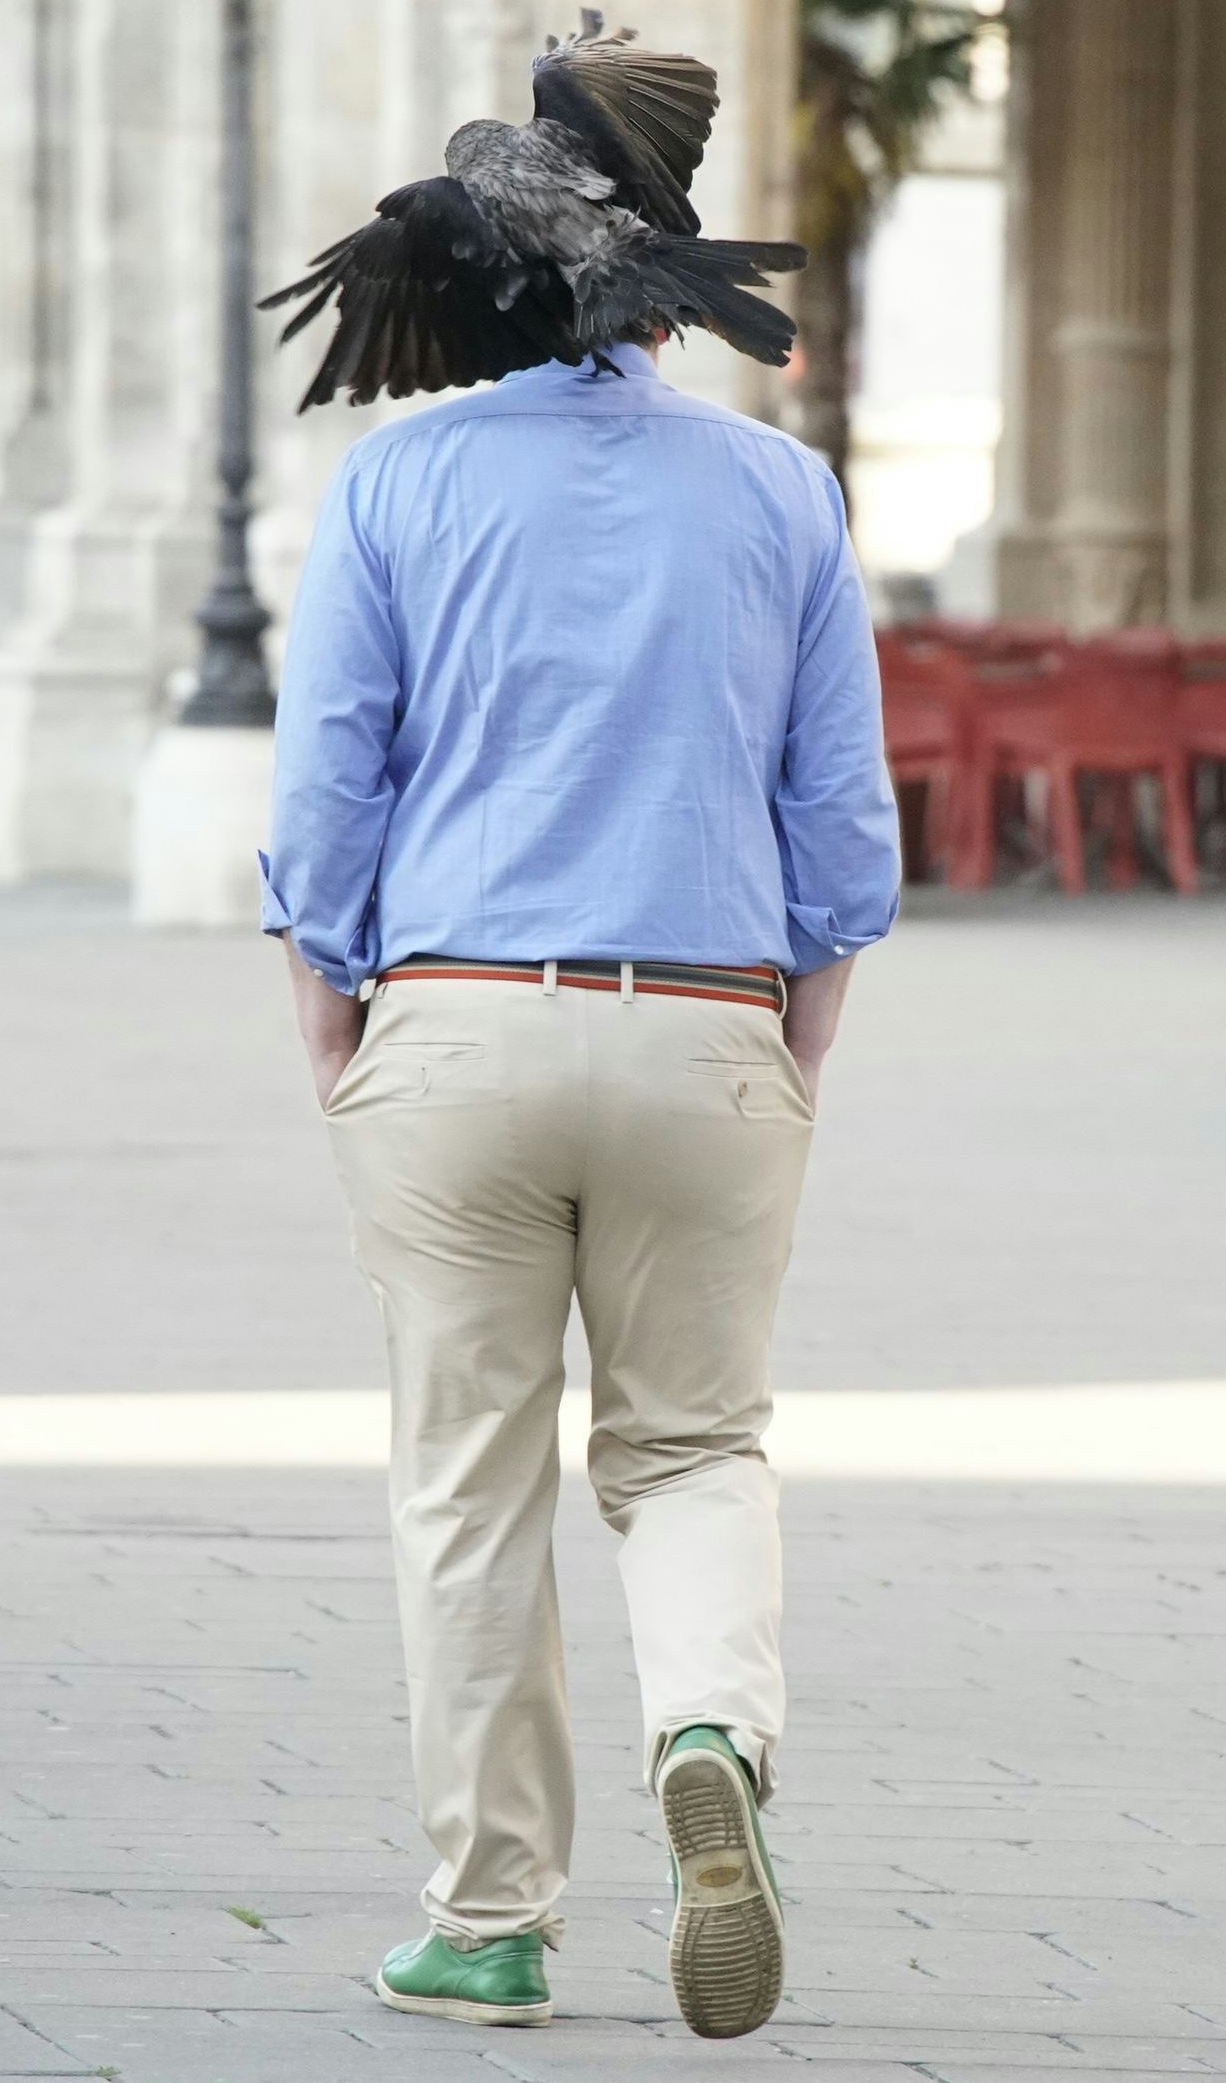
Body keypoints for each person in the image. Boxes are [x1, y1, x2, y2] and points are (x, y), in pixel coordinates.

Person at [264, 323, 900, 2039]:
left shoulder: (397, 475)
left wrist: (330, 996)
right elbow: (841, 811)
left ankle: (490, 1924)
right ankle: (706, 1733)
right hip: (707, 1018)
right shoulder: (782, 486)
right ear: (669, 302)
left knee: (469, 1478)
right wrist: (799, 1024)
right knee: (694, 1443)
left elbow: (333, 767)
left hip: (458, 1014)